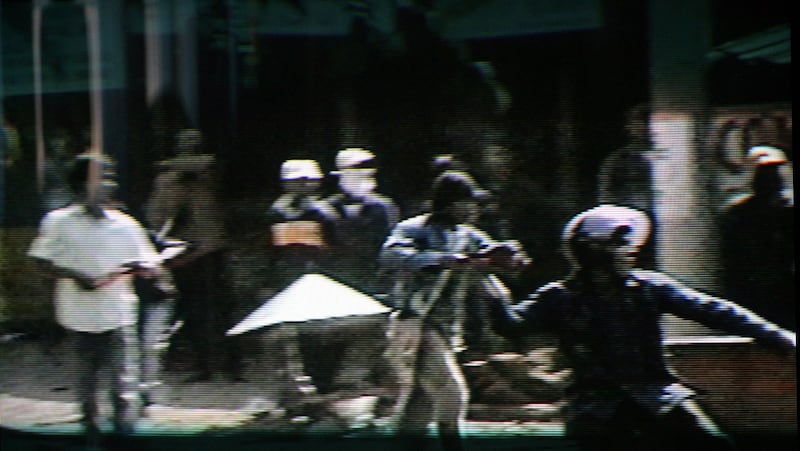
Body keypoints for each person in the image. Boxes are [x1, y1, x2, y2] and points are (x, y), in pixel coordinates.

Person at [483, 204, 796, 451]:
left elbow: (714, 310)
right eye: (619, 244)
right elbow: (510, 325)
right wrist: (490, 278)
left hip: (658, 396)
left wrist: (778, 336)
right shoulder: (559, 297)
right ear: (592, 251)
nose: (629, 251)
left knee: (714, 444)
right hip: (597, 405)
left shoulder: (648, 287)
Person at [379, 170, 528, 451]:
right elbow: (391, 254)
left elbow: (493, 258)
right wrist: (443, 260)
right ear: (450, 204)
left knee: (419, 404)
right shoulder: (414, 229)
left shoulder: (468, 235)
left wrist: (509, 258)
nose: (475, 209)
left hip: (448, 328)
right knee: (453, 393)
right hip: (416, 324)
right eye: (469, 203)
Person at [28, 153, 162, 444]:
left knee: (124, 382)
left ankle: (124, 435)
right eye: (98, 178)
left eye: (108, 178)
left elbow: (151, 264)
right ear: (79, 184)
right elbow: (41, 261)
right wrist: (76, 275)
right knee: (86, 383)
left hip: (118, 313)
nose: (106, 185)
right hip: (78, 315)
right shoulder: (58, 222)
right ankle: (91, 435)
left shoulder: (126, 224)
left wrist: (142, 269)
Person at [145, 128, 242, 382]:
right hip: (183, 252)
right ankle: (204, 366)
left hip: (211, 249)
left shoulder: (208, 172)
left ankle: (232, 365)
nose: (190, 146)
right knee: (192, 311)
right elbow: (157, 215)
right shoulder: (166, 181)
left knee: (222, 310)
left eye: (194, 142)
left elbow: (204, 164)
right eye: (185, 142)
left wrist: (168, 166)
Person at [720, 145, 794, 330]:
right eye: (764, 173)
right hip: (755, 292)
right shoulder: (739, 213)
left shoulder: (789, 210)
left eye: (775, 172)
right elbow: (733, 259)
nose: (771, 179)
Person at [325, 147, 400, 294]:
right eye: (357, 167)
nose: (364, 172)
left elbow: (393, 241)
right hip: (338, 278)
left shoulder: (383, 206)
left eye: (368, 167)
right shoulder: (325, 208)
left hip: (377, 278)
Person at [597, 103, 657, 268]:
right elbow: (606, 197)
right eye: (640, 122)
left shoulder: (675, 157)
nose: (646, 127)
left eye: (649, 121)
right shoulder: (619, 160)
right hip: (632, 224)